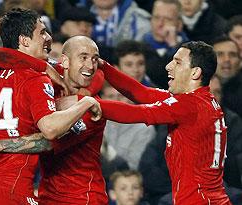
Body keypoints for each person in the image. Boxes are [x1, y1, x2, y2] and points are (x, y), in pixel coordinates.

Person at [0, 9, 101, 205]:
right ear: (24, 40)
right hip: (9, 191)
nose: (48, 37)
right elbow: (50, 129)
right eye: (42, 32)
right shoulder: (34, 79)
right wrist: (86, 102)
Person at [92, 41, 231, 204]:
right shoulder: (199, 100)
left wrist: (86, 103)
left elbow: (136, 112)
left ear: (195, 73)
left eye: (177, 62)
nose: (168, 66)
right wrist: (103, 66)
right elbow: (140, 92)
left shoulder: (189, 106)